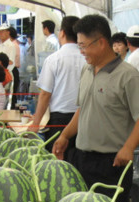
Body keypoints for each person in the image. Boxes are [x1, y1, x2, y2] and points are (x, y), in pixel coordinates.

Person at [52, 14, 139, 202]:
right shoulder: (87, 70)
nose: (81, 51)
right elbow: (83, 109)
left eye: (83, 46)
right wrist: (65, 135)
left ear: (101, 43)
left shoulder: (128, 75)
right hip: (82, 158)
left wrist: (128, 147)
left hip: (112, 162)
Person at [30, 16, 84, 159]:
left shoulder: (54, 59)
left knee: (56, 164)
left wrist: (36, 124)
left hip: (59, 120)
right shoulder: (88, 58)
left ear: (62, 33)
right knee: (78, 162)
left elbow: (45, 94)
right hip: (84, 119)